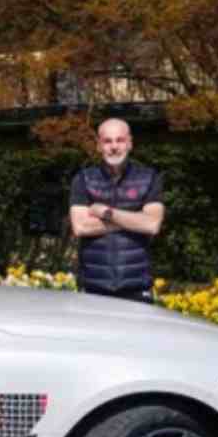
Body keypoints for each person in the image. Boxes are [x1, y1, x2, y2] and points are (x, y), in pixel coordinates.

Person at [69, 118, 165, 303]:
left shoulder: (149, 178)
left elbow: (152, 225)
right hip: (93, 287)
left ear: (130, 143)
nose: (114, 147)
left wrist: (106, 213)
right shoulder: (83, 179)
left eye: (120, 140)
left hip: (137, 287)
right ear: (99, 146)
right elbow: (80, 227)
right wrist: (134, 220)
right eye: (107, 141)